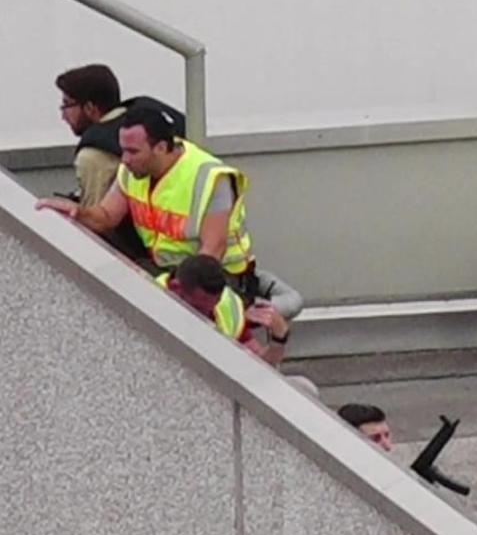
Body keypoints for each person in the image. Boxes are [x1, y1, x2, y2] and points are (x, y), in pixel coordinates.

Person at [36, 105, 256, 290]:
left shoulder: (210, 178)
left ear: (160, 148)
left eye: (133, 151)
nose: (125, 159)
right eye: (123, 150)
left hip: (218, 280)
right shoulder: (132, 171)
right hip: (165, 271)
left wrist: (167, 288)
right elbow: (105, 217)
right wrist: (76, 212)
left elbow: (212, 252)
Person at [53, 64, 183, 262]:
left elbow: (95, 227)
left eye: (67, 105)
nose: (63, 116)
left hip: (140, 259)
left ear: (89, 107)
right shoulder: (151, 115)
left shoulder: (93, 154)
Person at [159, 254, 290, 366]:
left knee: (303, 384)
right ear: (175, 287)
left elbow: (260, 369)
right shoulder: (150, 300)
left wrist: (278, 339)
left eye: (213, 306)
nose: (207, 316)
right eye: (198, 308)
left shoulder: (229, 306)